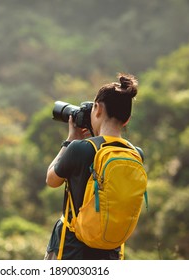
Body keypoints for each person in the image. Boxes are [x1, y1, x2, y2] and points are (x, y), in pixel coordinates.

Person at [44, 73, 139, 260]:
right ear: (126, 119)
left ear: (97, 109)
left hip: (73, 250)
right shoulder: (135, 153)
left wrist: (70, 140)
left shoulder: (80, 149)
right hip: (112, 251)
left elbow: (51, 179)